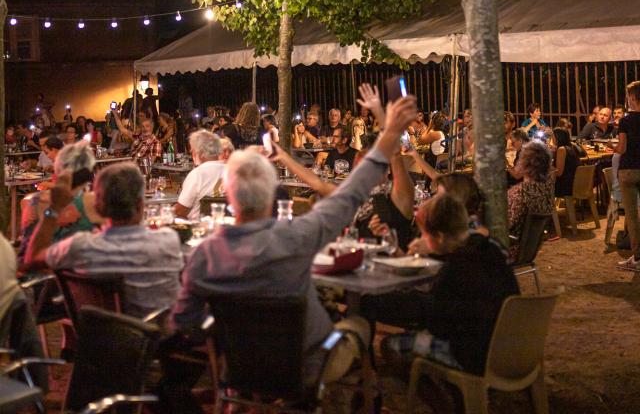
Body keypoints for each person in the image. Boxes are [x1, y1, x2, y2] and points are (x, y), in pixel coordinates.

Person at [159, 95, 417, 413]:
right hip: (305, 366)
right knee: (359, 324)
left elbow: (184, 322)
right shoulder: (298, 236)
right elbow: (354, 191)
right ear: (272, 194)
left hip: (240, 369)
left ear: (228, 195)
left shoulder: (205, 254)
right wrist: (390, 133)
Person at [364, 192, 519, 376]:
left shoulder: (457, 266)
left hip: (474, 354)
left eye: (424, 234)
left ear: (438, 236)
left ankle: (447, 400)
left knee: (390, 345)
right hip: (511, 346)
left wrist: (387, 303)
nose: (422, 239)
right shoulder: (489, 248)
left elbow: (436, 322)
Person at [22, 162, 182, 318]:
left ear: (98, 206)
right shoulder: (168, 240)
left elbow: (31, 259)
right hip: (160, 338)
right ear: (141, 205)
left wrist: (54, 209)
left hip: (101, 337)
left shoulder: (80, 246)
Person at [19, 143, 103, 265]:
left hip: (37, 275)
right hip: (79, 275)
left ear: (57, 168)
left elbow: (26, 252)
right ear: (89, 171)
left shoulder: (35, 202)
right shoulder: (96, 203)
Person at [508, 141, 555, 258]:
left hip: (510, 250)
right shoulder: (547, 188)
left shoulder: (519, 193)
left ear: (524, 163)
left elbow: (506, 225)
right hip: (530, 250)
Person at [613, 81, 640, 271]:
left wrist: (610, 147)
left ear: (632, 98)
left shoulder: (625, 120)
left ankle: (638, 258)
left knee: (632, 216)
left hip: (628, 170)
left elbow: (621, 148)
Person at [174, 131, 225, 221]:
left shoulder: (198, 174)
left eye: (192, 149)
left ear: (199, 152)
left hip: (197, 227)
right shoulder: (233, 171)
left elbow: (180, 211)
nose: (190, 151)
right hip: (227, 227)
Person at [553, 128, 581, 197]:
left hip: (566, 186)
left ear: (558, 138)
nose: (552, 139)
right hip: (575, 182)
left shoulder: (561, 149)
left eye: (553, 136)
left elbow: (559, 173)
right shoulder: (571, 147)